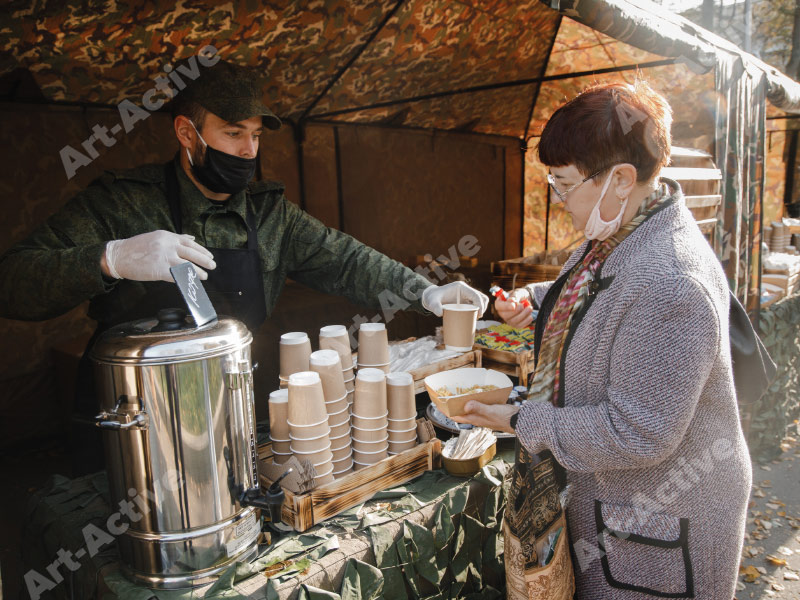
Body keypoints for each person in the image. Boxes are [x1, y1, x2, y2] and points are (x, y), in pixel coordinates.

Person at [0, 59, 488, 471]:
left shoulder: (270, 212)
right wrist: (111, 258)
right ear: (187, 132)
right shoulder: (121, 203)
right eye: (233, 133)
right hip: (133, 421)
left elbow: (346, 258)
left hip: (230, 408)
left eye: (255, 135)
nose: (249, 151)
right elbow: (14, 282)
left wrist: (424, 291)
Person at [455, 81, 751, 599]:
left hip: (661, 522)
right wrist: (536, 302)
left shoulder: (672, 283)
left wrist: (521, 419)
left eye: (564, 183)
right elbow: (593, 286)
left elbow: (637, 432)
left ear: (621, 178)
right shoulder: (627, 229)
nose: (559, 198)